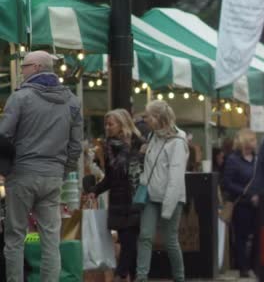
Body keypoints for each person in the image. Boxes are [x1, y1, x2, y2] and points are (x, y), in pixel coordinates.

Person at [0, 50, 83, 282]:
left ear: (36, 67)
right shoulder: (72, 102)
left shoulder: (20, 98)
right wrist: (63, 171)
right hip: (53, 176)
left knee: (15, 237)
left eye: (24, 66)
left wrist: (6, 168)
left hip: (22, 174)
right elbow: (76, 146)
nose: (22, 70)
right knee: (51, 239)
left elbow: (3, 135)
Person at [88, 109, 145, 281]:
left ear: (122, 124)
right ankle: (129, 276)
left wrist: (131, 149)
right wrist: (95, 190)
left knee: (130, 244)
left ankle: (121, 275)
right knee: (129, 243)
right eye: (106, 124)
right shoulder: (109, 146)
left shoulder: (138, 142)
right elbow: (112, 176)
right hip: (119, 202)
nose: (107, 127)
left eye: (110, 124)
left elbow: (140, 170)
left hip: (136, 198)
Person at [135, 100, 189, 282]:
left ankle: (179, 277)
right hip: (150, 194)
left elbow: (176, 177)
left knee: (170, 241)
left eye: (147, 116)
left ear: (157, 118)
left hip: (171, 197)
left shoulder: (178, 141)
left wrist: (167, 208)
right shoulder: (152, 137)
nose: (145, 119)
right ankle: (141, 277)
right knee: (145, 236)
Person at [222, 128, 258, 278]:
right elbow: (226, 183)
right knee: (241, 237)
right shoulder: (233, 159)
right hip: (241, 204)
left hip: (257, 203)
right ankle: (243, 267)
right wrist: (245, 192)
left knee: (257, 235)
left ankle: (254, 265)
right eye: (251, 140)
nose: (254, 144)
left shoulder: (257, 159)